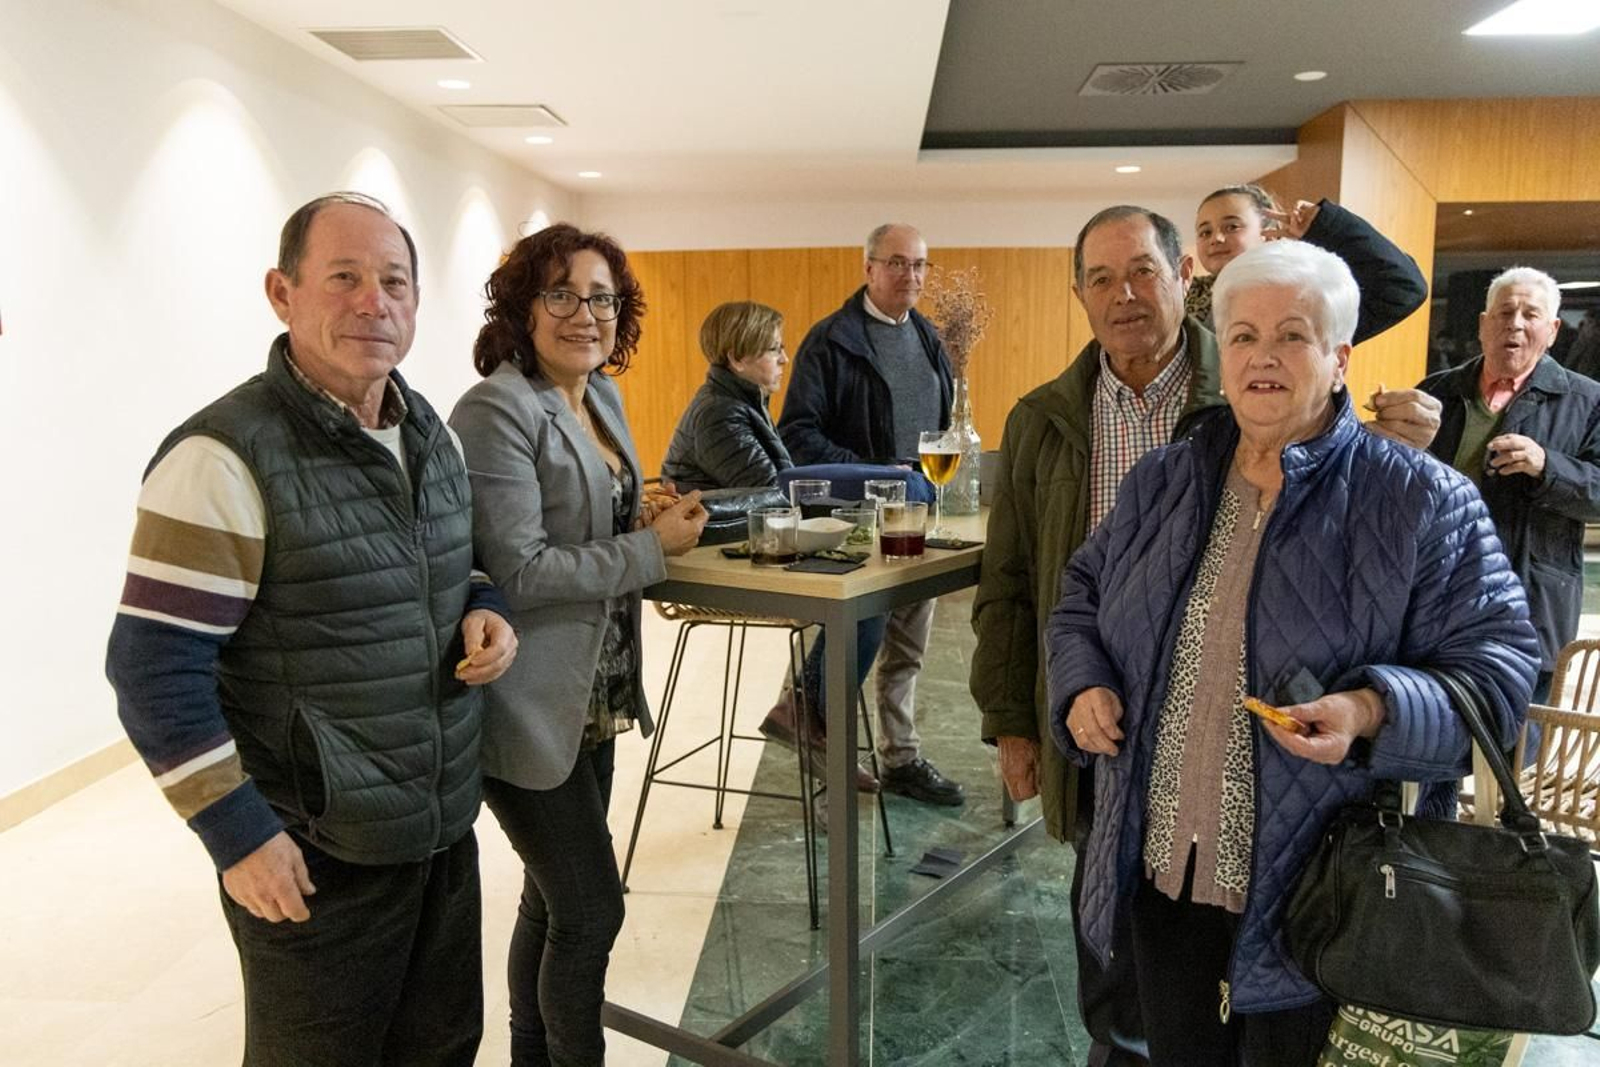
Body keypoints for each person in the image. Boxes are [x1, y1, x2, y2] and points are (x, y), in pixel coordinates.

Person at [1045, 239, 1539, 1066]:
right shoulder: (1166, 479)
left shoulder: (1422, 498)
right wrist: (1082, 684)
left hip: (1325, 902)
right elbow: (1079, 601)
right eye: (1242, 336)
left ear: (1340, 359)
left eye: (1292, 336)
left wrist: (1370, 710)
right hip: (1162, 868)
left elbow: (1499, 675)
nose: (1262, 357)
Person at [106, 191, 519, 1066]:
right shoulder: (221, 457)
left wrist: (489, 608)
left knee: (441, 1047)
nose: (375, 300)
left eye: (394, 281)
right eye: (344, 277)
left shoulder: (426, 432)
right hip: (316, 850)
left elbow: (460, 563)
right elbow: (152, 670)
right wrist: (239, 833)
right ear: (281, 293)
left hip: (437, 828)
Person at [449, 223, 708, 1066]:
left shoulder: (598, 396)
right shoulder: (497, 406)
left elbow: (576, 519)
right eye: (560, 293)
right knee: (593, 910)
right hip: (529, 700)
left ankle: (534, 1054)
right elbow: (517, 566)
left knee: (551, 901)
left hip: (594, 695)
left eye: (601, 296)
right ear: (523, 307)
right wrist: (650, 549)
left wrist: (636, 511)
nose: (584, 314)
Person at [776, 222, 965, 806]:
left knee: (908, 644)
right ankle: (816, 730)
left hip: (920, 510)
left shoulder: (930, 337)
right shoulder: (830, 341)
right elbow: (798, 436)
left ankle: (900, 757)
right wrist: (875, 474)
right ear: (869, 268)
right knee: (860, 628)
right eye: (899, 264)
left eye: (920, 266)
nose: (911, 276)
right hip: (859, 517)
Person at [661, 301, 885, 790]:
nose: (785, 358)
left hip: (747, 546)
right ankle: (816, 722)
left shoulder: (743, 402)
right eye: (773, 350)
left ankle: (805, 712)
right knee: (866, 600)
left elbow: (780, 494)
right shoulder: (718, 414)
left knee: (867, 588)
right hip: (715, 562)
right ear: (737, 357)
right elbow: (778, 495)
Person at [1419, 267, 1600, 702]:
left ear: (1552, 330)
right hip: (1436, 595)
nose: (1515, 323)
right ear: (1483, 325)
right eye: (1504, 312)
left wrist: (1548, 466)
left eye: (1530, 314)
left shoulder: (1588, 401)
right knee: (1432, 730)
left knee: (1516, 751)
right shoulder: (1435, 394)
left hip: (1530, 602)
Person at [1189, 184, 1428, 346]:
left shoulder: (1305, 295)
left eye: (1232, 227)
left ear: (1269, 232)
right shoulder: (1183, 300)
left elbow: (1402, 287)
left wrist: (1327, 228)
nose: (1216, 239)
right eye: (1205, 232)